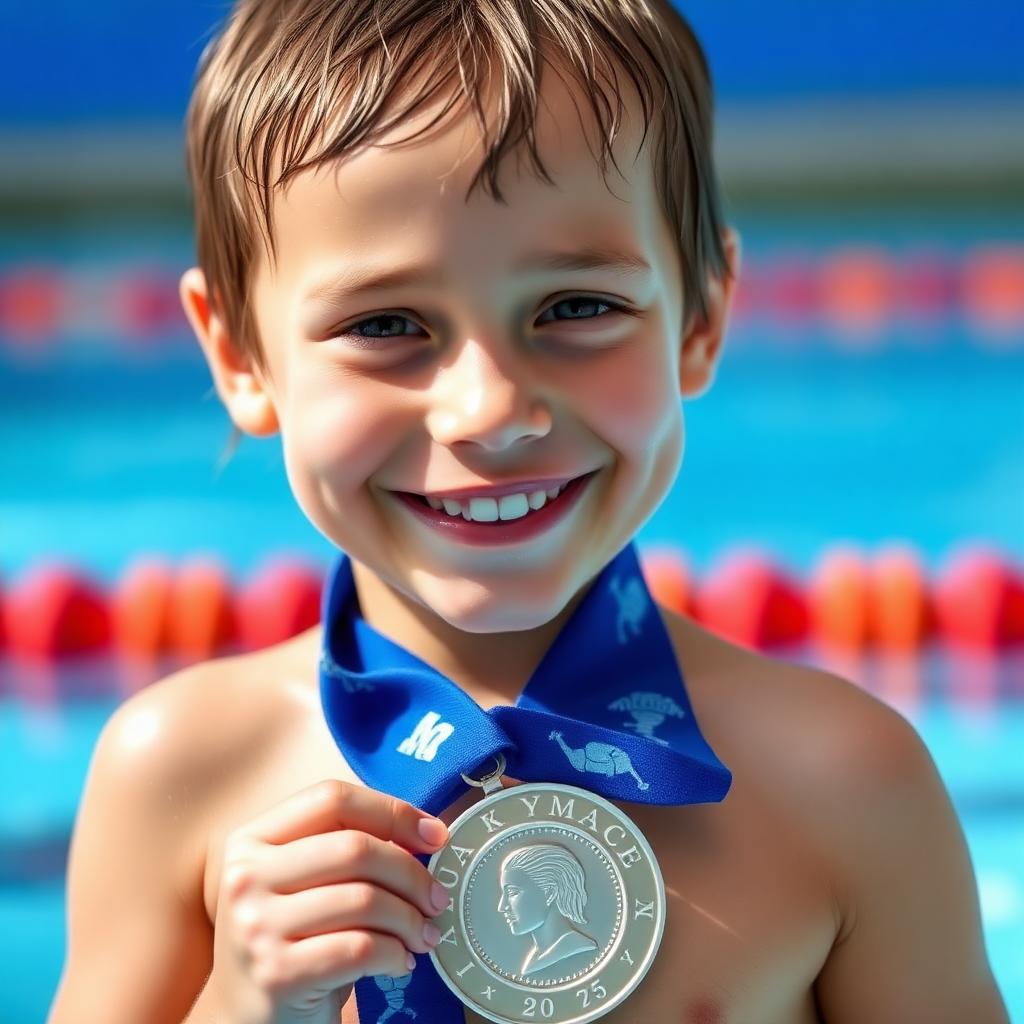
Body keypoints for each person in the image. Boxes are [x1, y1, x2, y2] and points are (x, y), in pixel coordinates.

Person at [48, 2, 1009, 1022]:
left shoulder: (845, 787)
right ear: (240, 356)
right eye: (386, 325)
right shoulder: (178, 774)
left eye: (577, 307)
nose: (492, 411)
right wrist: (245, 1004)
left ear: (703, 316)